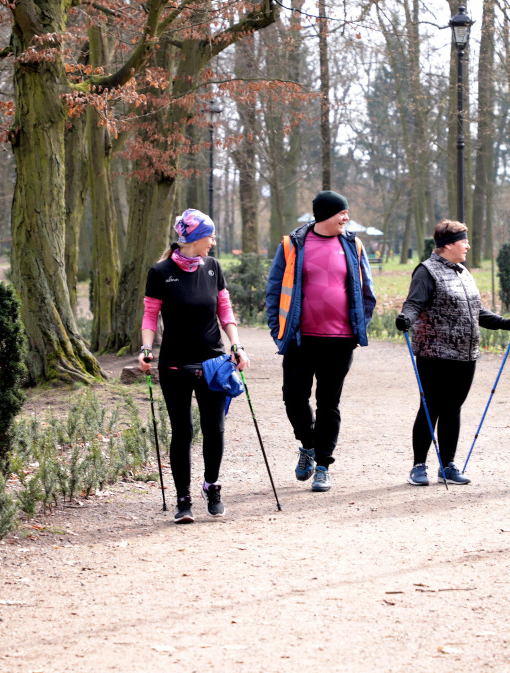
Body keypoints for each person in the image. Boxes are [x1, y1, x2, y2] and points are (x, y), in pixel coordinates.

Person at [137, 209, 250, 523]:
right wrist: (146, 348)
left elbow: (225, 311)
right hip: (174, 363)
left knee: (215, 429)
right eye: (210, 236)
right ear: (195, 238)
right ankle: (183, 498)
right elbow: (150, 316)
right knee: (182, 431)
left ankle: (211, 485)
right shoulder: (160, 272)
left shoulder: (213, 268)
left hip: (214, 361)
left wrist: (236, 344)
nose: (213, 242)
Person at [395, 221, 510, 486]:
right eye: (463, 241)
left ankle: (448, 466)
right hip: (434, 353)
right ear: (448, 244)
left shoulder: (463, 272)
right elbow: (414, 303)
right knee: (430, 408)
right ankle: (418, 466)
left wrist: (505, 323)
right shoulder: (426, 271)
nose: (468, 245)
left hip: (465, 355)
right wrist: (405, 319)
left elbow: (476, 311)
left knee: (453, 409)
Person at [265, 191, 376, 493]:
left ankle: (324, 465)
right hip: (301, 339)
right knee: (294, 398)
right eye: (342, 213)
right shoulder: (292, 245)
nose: (347, 218)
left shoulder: (353, 244)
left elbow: (367, 291)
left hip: (340, 341)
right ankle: (309, 445)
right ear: (326, 214)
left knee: (329, 404)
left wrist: (358, 328)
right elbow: (275, 290)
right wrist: (279, 331)